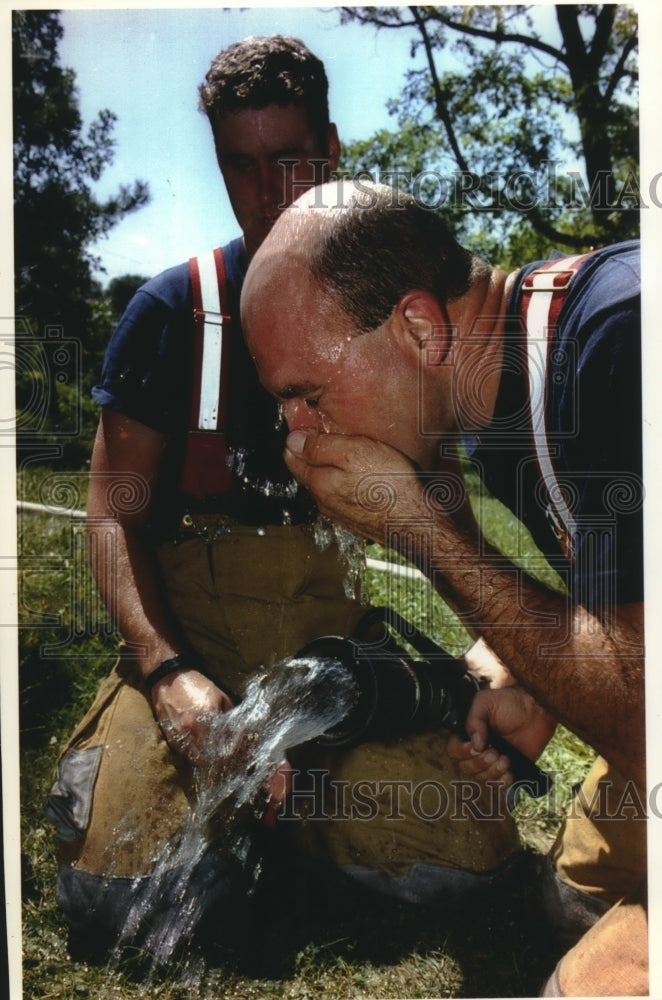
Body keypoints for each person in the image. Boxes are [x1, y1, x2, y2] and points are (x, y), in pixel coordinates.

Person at [44, 40, 520, 958]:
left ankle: (293, 811)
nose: (270, 193)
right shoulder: (170, 314)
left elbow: (449, 518)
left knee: (465, 866)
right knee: (118, 908)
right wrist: (167, 673)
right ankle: (242, 810)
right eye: (242, 165)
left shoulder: (394, 322)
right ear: (220, 163)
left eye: (293, 161)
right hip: (200, 659)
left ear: (333, 151)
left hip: (333, 676)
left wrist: (493, 659)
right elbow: (113, 516)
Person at [240, 179, 646, 996]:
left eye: (307, 396)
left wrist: (419, 531)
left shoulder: (625, 344)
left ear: (420, 327)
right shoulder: (497, 395)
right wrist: (528, 672)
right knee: (570, 903)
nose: (297, 437)